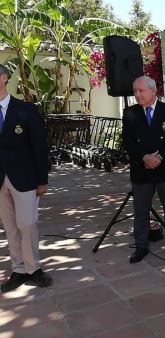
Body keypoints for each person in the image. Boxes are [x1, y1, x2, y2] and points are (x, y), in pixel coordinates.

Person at [122, 75, 165, 263]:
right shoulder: (130, 113)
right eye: (135, 91)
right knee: (141, 210)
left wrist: (158, 157)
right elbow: (127, 141)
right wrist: (145, 157)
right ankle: (141, 246)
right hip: (141, 169)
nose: (137, 94)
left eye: (141, 90)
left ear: (153, 91)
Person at [0, 63, 52, 292]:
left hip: (25, 178)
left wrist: (42, 180)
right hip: (0, 181)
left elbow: (39, 147)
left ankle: (34, 269)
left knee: (27, 224)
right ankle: (19, 269)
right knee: (10, 228)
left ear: (3, 78)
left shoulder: (26, 110)